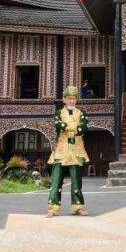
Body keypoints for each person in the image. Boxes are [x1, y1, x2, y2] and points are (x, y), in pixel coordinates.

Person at [46, 86, 89, 217]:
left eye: (74, 99)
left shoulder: (81, 113)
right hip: (62, 150)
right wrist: (74, 127)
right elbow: (58, 126)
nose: (72, 101)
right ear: (64, 99)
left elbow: (84, 128)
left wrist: (67, 127)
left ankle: (78, 207)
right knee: (56, 180)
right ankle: (52, 208)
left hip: (76, 150)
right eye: (69, 98)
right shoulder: (58, 113)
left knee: (76, 181)